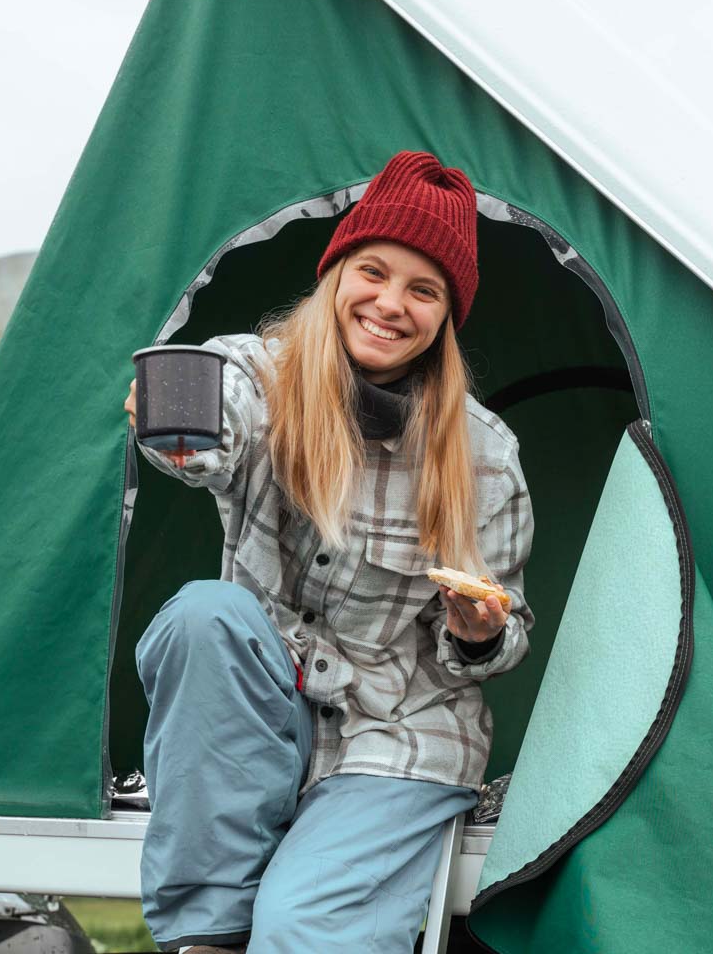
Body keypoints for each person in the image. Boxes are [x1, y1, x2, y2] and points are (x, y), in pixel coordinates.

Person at [122, 150, 536, 954]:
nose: (390, 304)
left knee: (303, 929)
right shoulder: (257, 369)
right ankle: (207, 933)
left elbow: (501, 641)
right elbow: (213, 423)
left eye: (423, 290)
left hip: (402, 732)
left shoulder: (487, 455)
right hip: (265, 714)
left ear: (447, 316)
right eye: (373, 272)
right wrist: (180, 426)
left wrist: (479, 631)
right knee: (203, 615)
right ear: (336, 272)